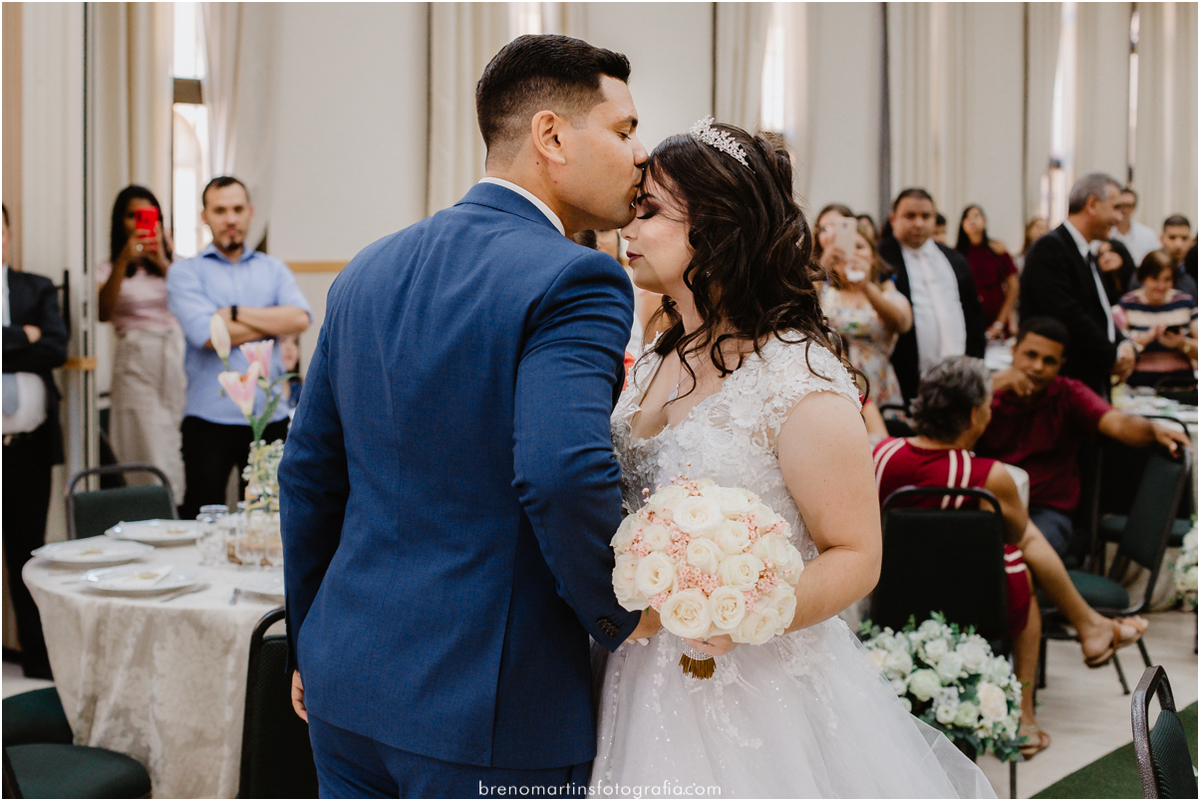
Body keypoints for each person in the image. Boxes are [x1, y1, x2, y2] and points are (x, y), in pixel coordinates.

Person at [279, 35, 660, 797]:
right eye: (623, 130)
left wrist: (309, 640)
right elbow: (558, 474)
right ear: (551, 135)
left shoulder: (366, 268)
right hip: (491, 709)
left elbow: (308, 474)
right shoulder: (576, 278)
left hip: (345, 685)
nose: (640, 154)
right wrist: (617, 613)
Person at [593, 120, 993, 797]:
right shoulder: (660, 355)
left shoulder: (797, 378)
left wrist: (742, 607)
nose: (626, 228)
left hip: (755, 687)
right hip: (642, 668)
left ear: (716, 228)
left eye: (649, 210)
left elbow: (856, 553)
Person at [874, 356, 1149, 759]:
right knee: (1017, 556)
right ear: (972, 415)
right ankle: (1024, 714)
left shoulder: (882, 453)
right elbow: (1018, 533)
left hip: (891, 593)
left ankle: (1091, 626)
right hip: (971, 601)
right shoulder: (988, 476)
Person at [976, 317, 1190, 557]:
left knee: (1016, 558)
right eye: (1030, 355)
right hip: (989, 506)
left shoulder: (1068, 394)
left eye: (1049, 361)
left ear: (1061, 364)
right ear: (1013, 351)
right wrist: (988, 387)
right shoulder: (986, 395)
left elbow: (1116, 423)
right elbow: (942, 428)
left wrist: (1152, 430)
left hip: (1045, 511)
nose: (1037, 367)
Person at [166, 176, 311, 518]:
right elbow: (205, 333)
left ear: (250, 213)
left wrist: (231, 314)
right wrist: (269, 324)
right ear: (205, 216)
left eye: (237, 209)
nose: (230, 219)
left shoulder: (273, 269)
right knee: (203, 519)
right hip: (207, 419)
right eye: (220, 210)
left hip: (268, 418)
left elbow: (300, 319)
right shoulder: (185, 273)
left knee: (271, 518)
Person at [2, 203, 68, 679]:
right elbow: (33, 346)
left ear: (7, 233)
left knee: (27, 552)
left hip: (27, 447)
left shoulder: (36, 287)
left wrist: (32, 340)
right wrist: (18, 337)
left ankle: (37, 660)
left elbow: (55, 348)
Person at [97, 186, 187, 504]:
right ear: (119, 222)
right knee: (149, 448)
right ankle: (157, 510)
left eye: (148, 217)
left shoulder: (176, 265)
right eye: (132, 216)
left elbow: (194, 301)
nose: (140, 224)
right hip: (136, 360)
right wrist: (125, 259)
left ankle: (176, 515)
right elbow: (102, 312)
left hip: (175, 359)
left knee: (175, 443)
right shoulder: (109, 267)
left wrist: (162, 259)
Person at [1018, 173, 1137, 400]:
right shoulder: (1050, 249)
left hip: (1087, 384)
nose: (1118, 218)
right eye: (1115, 208)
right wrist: (1112, 356)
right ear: (1091, 204)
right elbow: (1069, 315)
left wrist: (1125, 345)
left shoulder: (1085, 253)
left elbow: (1098, 314)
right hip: (1063, 387)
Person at [878, 188, 987, 403]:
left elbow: (973, 316)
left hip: (956, 374)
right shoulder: (880, 257)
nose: (919, 223)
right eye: (910, 216)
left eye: (926, 216)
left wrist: (975, 363)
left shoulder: (953, 259)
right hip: (904, 377)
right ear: (893, 219)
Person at [820, 220, 912, 406]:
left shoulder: (887, 294)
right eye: (845, 248)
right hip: (835, 392)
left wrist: (865, 287)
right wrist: (823, 265)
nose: (852, 254)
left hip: (880, 392)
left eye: (860, 247)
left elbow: (903, 323)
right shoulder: (824, 295)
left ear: (873, 256)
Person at [1113, 250, 1198, 389]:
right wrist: (1145, 339)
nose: (1161, 286)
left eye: (1167, 279)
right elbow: (1118, 351)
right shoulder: (1127, 304)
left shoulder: (1185, 302)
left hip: (1181, 384)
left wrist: (1181, 343)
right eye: (1155, 278)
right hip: (1139, 384)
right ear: (1143, 278)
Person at [955, 204, 1019, 337]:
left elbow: (1013, 286)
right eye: (967, 217)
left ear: (984, 222)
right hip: (966, 321)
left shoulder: (997, 249)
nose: (972, 220)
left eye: (976, 216)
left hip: (996, 319)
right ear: (962, 224)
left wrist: (1000, 323)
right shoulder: (957, 254)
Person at [1109, 187, 1160, 267]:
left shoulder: (1148, 235)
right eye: (1121, 205)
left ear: (1134, 208)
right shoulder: (1105, 232)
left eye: (1128, 205)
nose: (1124, 210)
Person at [279, 332, 303, 411]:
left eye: (295, 342)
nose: (289, 347)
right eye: (283, 340)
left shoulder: (301, 389)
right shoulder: (261, 391)